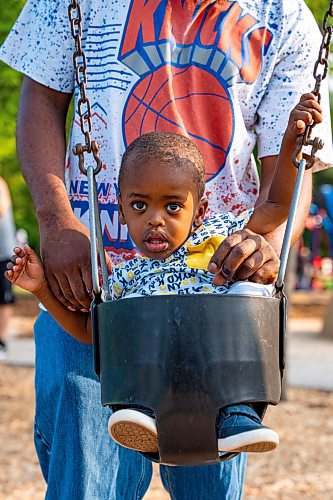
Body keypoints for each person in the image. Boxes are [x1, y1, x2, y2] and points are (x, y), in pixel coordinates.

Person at [1, 1, 332, 498]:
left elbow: (283, 191)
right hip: (92, 272)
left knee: (210, 486)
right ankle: (135, 409)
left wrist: (263, 246)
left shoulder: (282, 15)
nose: (155, 219)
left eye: (171, 207)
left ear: (196, 210)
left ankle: (236, 412)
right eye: (141, 205)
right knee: (88, 484)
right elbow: (42, 101)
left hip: (221, 300)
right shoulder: (125, 277)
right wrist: (57, 222)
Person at [0, 177, 17, 358]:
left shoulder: (0, 183)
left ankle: (2, 341)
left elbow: (1, 209)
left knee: (4, 299)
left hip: (4, 252)